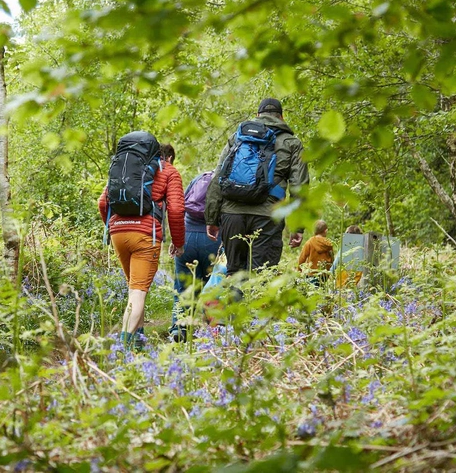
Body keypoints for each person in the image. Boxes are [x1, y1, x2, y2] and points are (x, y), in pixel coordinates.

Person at [204, 98, 309, 277]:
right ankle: (252, 304)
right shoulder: (292, 143)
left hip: (232, 214)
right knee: (261, 276)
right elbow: (299, 185)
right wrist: (297, 227)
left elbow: (218, 177)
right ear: (281, 117)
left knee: (234, 274)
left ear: (257, 116)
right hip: (268, 216)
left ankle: (234, 303)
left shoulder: (237, 138)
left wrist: (211, 218)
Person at [99, 140, 185, 349]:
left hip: (118, 232)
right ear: (169, 156)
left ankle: (138, 343)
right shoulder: (169, 171)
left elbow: (103, 202)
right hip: (145, 235)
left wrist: (113, 226)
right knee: (138, 292)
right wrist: (178, 242)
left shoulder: (127, 167)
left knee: (136, 289)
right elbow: (175, 210)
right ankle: (122, 349)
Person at [169, 168, 222, 342]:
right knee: (213, 287)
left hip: (187, 237)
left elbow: (181, 209)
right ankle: (213, 331)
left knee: (183, 287)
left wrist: (176, 240)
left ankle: (179, 329)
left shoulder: (198, 179)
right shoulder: (226, 182)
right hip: (213, 239)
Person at [298, 219, 334, 286]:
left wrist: (299, 270)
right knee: (321, 289)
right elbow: (332, 258)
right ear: (326, 231)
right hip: (324, 274)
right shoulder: (329, 243)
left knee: (312, 291)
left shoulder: (310, 242)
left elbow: (302, 257)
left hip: (312, 273)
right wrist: (329, 271)